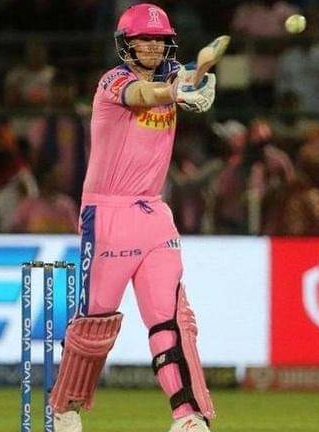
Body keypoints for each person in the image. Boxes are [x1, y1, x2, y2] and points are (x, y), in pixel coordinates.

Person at [49, 4, 217, 432]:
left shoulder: (171, 74)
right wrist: (176, 92)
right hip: (108, 214)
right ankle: (65, 407)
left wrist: (198, 77)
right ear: (126, 44)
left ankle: (188, 415)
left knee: (172, 320)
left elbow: (185, 78)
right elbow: (145, 95)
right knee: (95, 324)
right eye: (144, 39)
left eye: (160, 40)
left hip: (155, 213)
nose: (153, 46)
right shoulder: (113, 81)